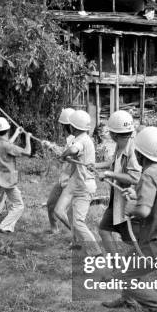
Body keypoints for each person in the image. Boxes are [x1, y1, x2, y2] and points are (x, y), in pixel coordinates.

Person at [103, 126, 157, 312]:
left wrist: (131, 209)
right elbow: (155, 199)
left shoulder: (148, 175)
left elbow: (144, 211)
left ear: (139, 154)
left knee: (124, 275)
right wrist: (136, 196)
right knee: (128, 266)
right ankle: (127, 299)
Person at [95, 110, 142, 255]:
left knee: (133, 240)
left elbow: (134, 177)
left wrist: (109, 174)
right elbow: (113, 163)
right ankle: (117, 264)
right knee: (104, 230)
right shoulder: (120, 146)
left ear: (114, 134)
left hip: (128, 202)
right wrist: (96, 165)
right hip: (116, 200)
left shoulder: (132, 150)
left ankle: (152, 262)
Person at [56, 109, 102, 256]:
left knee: (78, 222)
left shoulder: (83, 140)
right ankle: (76, 241)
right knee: (59, 211)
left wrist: (64, 155)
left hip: (84, 186)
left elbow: (74, 149)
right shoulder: (79, 137)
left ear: (74, 127)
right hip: (74, 182)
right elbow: (73, 148)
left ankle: (96, 253)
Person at [0, 117, 31, 233]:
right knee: (19, 205)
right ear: (7, 131)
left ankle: (7, 225)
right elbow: (27, 152)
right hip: (8, 181)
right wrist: (27, 138)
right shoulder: (7, 146)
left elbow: (6, 144)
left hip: (0, 178)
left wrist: (16, 133)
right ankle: (4, 226)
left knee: (1, 202)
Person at [44, 108, 75, 234]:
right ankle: (54, 230)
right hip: (64, 178)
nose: (61, 128)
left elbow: (64, 157)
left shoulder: (76, 139)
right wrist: (51, 146)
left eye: (63, 125)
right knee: (51, 204)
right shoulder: (70, 139)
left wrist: (51, 147)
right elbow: (64, 152)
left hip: (72, 180)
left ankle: (77, 235)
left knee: (61, 212)